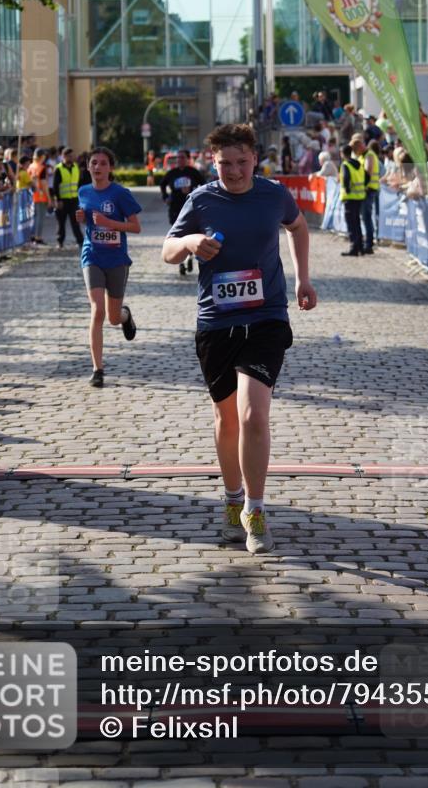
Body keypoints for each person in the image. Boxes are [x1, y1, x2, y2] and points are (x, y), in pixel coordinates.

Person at [161, 123, 316, 554]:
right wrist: (190, 241)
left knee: (252, 415)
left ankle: (255, 509)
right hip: (216, 323)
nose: (234, 171)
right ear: (213, 163)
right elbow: (166, 250)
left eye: (242, 162)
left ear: (255, 159)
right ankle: (231, 500)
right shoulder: (201, 199)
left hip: (266, 318)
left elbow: (298, 228)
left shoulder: (273, 194)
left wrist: (303, 278)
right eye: (225, 164)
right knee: (227, 420)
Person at [76, 146, 142, 387]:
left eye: (103, 163)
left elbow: (136, 227)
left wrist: (109, 223)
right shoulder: (83, 191)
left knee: (113, 317)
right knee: (97, 310)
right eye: (94, 163)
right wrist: (82, 218)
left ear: (110, 168)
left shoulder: (120, 194)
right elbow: (88, 219)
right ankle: (97, 369)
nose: (98, 167)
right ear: (88, 167)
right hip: (91, 255)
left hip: (116, 259)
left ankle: (125, 316)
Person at [160, 149, 206, 275]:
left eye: (182, 157)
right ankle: (181, 262)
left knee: (190, 233)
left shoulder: (193, 172)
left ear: (187, 159)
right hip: (175, 207)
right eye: (178, 158)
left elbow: (204, 185)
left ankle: (189, 257)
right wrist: (165, 197)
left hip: (190, 207)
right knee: (178, 235)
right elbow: (162, 184)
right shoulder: (172, 173)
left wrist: (194, 191)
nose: (179, 160)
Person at [53, 147, 84, 249]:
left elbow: (79, 183)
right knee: (61, 223)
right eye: (70, 156)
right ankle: (60, 242)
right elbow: (55, 186)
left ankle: (80, 242)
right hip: (63, 200)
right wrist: (58, 200)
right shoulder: (58, 169)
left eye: (73, 155)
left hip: (74, 200)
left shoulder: (76, 167)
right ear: (64, 156)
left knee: (75, 222)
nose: (72, 157)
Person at [339, 141, 365, 256]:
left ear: (342, 153)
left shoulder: (345, 164)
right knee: (357, 222)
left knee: (351, 223)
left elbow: (346, 179)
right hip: (359, 197)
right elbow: (367, 176)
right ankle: (360, 247)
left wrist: (347, 189)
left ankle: (353, 248)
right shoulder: (359, 163)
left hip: (349, 198)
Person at [28, 149, 49, 245]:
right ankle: (38, 237)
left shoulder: (31, 166)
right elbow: (44, 184)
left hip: (31, 195)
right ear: (42, 156)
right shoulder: (41, 168)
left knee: (34, 217)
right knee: (40, 217)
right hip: (40, 196)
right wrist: (49, 198)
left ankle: (32, 236)